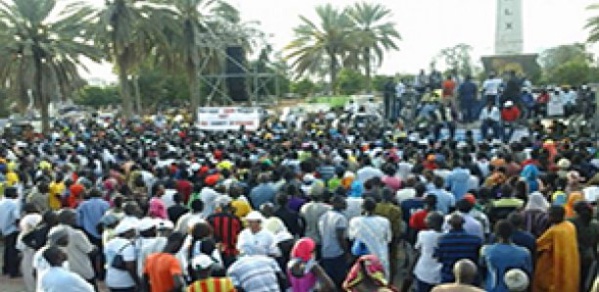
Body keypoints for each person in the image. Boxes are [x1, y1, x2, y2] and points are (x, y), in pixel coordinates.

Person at [533, 205, 580, 292]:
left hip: (557, 265)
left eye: (550, 215)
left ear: (555, 216)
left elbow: (538, 245)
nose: (548, 217)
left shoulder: (554, 231)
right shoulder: (570, 226)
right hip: (571, 264)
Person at [481, 220, 532, 292]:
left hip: (493, 289)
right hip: (515, 288)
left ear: (496, 234)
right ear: (512, 232)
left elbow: (482, 267)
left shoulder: (486, 250)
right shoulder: (524, 253)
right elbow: (528, 273)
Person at [349, 198, 392, 279]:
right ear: (375, 208)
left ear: (362, 208)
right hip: (380, 257)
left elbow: (352, 238)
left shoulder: (355, 221)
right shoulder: (384, 221)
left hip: (363, 258)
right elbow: (389, 239)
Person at [53, 208, 96, 288]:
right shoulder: (76, 234)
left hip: (65, 271)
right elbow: (90, 251)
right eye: (74, 217)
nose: (76, 219)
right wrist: (95, 248)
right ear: (69, 219)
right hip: (81, 271)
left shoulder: (53, 231)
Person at [435, 214, 482, 283]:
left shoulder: (441, 240)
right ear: (463, 223)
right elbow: (478, 259)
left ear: (449, 224)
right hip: (470, 278)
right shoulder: (475, 240)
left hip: (448, 276)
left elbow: (438, 258)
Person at [318, 195, 349, 288]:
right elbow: (340, 237)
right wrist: (346, 251)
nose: (345, 204)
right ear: (336, 204)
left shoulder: (323, 216)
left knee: (330, 282)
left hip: (325, 252)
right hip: (337, 253)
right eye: (343, 202)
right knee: (340, 281)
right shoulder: (340, 218)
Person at [568, 201, 599, 291]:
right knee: (587, 282)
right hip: (590, 256)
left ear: (576, 212)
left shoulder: (571, 223)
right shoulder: (595, 225)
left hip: (574, 257)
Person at [374, 188, 402, 281]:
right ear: (391, 197)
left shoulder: (375, 207)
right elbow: (397, 228)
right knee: (392, 259)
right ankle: (390, 279)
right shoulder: (395, 210)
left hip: (377, 236)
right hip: (391, 237)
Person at [412, 212, 444, 292]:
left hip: (424, 271)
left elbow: (417, 251)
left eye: (427, 218)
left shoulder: (423, 234)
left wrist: (411, 268)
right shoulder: (445, 236)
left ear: (432, 222)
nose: (425, 220)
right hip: (439, 273)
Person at [207, 196, 243, 267]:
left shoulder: (211, 219)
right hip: (231, 253)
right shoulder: (235, 219)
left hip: (215, 253)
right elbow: (240, 235)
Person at [104, 220, 139, 292]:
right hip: (125, 282)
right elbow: (130, 267)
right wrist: (138, 282)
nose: (135, 233)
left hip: (111, 279)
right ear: (127, 232)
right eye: (133, 231)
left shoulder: (110, 242)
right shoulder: (128, 246)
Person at [300, 189, 331, 258]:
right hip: (321, 238)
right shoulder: (327, 208)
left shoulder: (304, 207)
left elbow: (302, 223)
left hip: (308, 237)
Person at [0, 186, 21, 277]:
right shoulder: (13, 204)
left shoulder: (1, 202)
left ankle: (6, 269)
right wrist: (20, 227)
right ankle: (13, 272)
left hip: (3, 228)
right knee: (13, 251)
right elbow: (16, 217)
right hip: (12, 229)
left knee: (7, 250)